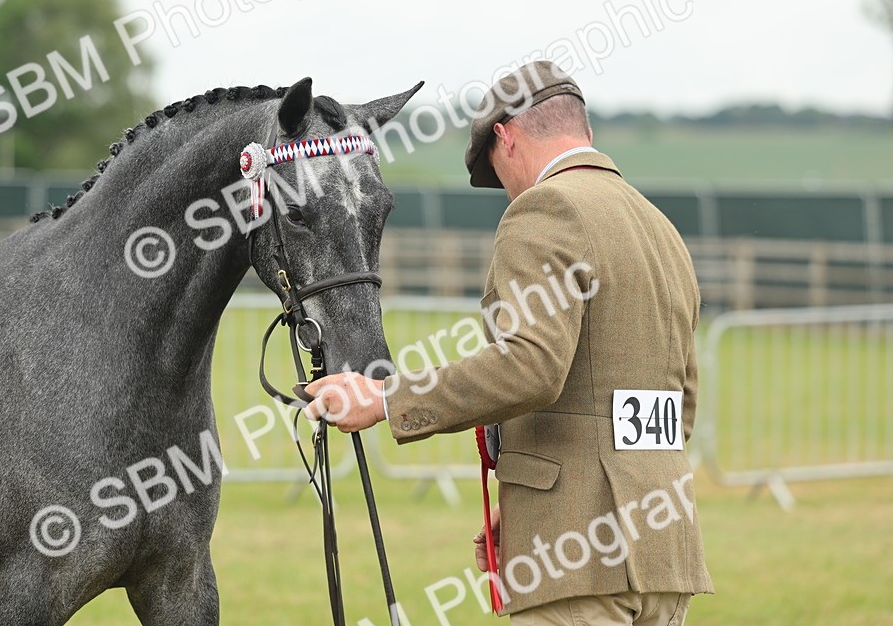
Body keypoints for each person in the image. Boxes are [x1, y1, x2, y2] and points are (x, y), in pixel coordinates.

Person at [305, 61, 713, 625]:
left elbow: (531, 365)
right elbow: (677, 404)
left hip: (578, 564)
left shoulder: (545, 209)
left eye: (496, 171)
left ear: (506, 136)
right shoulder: (659, 229)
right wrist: (532, 500)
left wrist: (384, 398)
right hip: (664, 553)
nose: (506, 191)